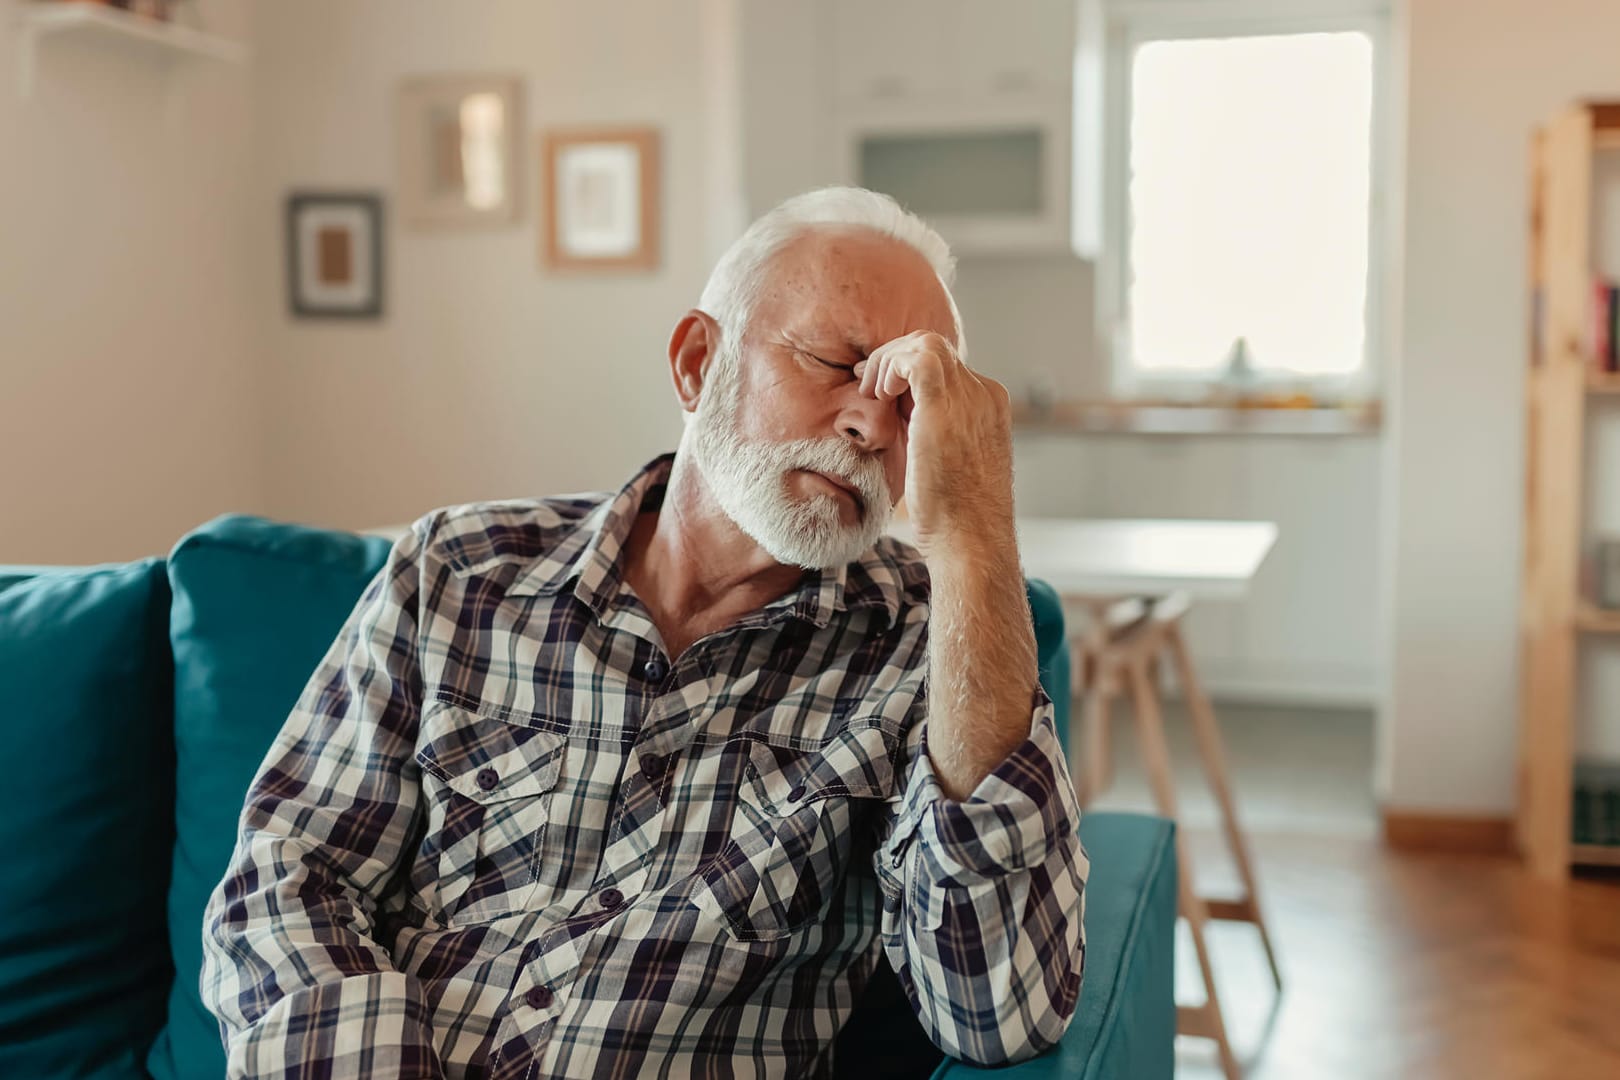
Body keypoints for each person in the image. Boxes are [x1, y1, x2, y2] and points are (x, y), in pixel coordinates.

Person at [201, 186, 1087, 1079]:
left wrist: (975, 531)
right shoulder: (458, 571)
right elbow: (289, 878)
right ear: (699, 362)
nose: (869, 425)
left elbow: (1001, 1010)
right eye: (834, 362)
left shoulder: (921, 649)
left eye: (909, 408)